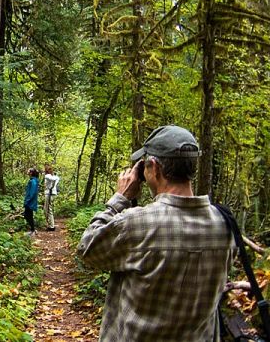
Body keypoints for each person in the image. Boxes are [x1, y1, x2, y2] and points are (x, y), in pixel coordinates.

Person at [77, 125, 235, 341]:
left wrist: (119, 199)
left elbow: (87, 248)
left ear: (154, 168)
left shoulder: (137, 223)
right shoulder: (225, 224)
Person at [43, 164, 60, 231]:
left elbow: (52, 178)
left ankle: (51, 226)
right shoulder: (55, 177)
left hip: (49, 194)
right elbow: (56, 178)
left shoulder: (47, 176)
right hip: (51, 193)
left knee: (47, 210)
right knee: (48, 209)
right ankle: (51, 225)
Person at [23, 168, 39, 235]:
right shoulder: (33, 180)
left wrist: (27, 201)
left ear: (31, 173)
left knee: (27, 215)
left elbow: (32, 193)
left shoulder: (33, 181)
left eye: (29, 171)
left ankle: (33, 230)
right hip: (30, 201)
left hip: (30, 202)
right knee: (28, 215)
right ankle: (33, 230)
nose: (28, 172)